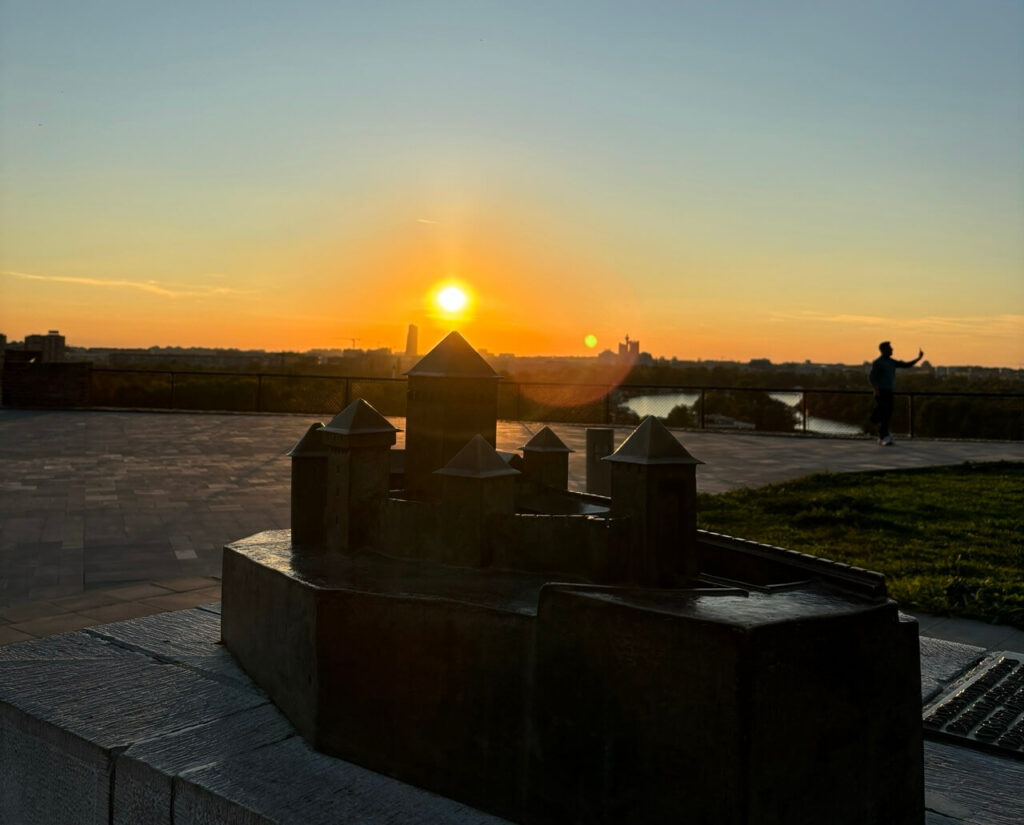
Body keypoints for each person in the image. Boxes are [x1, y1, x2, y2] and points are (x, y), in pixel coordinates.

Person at [868, 341, 923, 446]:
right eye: (890, 348)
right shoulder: (878, 363)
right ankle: (885, 437)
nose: (892, 349)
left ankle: (882, 435)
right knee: (885, 414)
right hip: (882, 392)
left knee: (887, 414)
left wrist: (918, 358)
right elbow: (872, 377)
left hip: (889, 392)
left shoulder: (891, 362)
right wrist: (876, 389)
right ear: (884, 350)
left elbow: (906, 365)